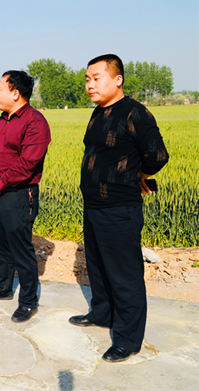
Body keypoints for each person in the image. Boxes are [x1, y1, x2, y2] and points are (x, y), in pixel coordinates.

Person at [69, 54, 169, 362]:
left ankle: (128, 339)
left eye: (96, 78)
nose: (90, 84)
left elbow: (157, 155)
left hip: (119, 208)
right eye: (87, 79)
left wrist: (140, 175)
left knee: (124, 275)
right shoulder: (98, 112)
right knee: (98, 266)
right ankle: (102, 313)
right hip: (93, 205)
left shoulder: (135, 113)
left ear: (117, 79)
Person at [0, 70, 51, 323]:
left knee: (21, 249)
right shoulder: (2, 120)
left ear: (15, 93)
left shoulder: (34, 122)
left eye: (0, 89)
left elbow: (28, 163)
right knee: (0, 244)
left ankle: (28, 301)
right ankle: (3, 288)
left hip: (19, 194)